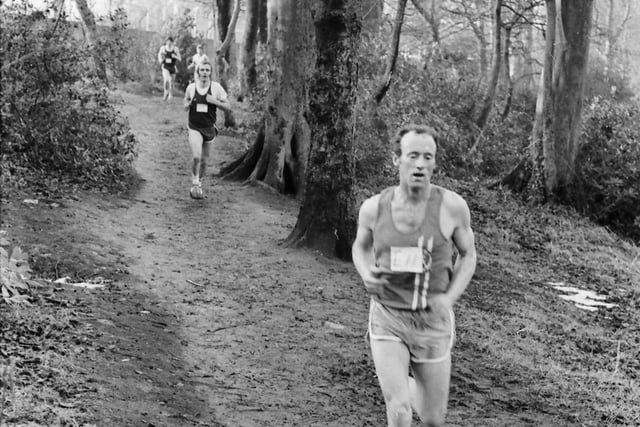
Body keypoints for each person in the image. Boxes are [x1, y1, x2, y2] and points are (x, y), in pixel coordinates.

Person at [352, 124, 477, 427]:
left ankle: (408, 384)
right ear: (397, 159)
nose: (420, 164)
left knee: (433, 419)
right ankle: (401, 387)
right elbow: (361, 246)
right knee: (399, 409)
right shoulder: (373, 208)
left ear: (435, 162)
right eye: (412, 156)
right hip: (388, 316)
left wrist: (449, 297)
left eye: (427, 157)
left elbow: (469, 255)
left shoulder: (452, 208)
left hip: (432, 322)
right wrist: (367, 272)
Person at [183, 60, 231, 199]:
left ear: (210, 73)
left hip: (209, 129)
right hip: (194, 127)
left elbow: (228, 107)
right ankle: (194, 183)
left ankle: (200, 183)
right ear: (198, 72)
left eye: (207, 70)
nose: (204, 73)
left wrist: (214, 101)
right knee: (197, 156)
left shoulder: (216, 88)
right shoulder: (191, 87)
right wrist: (186, 105)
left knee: (204, 161)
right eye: (202, 70)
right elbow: (186, 100)